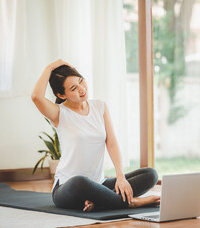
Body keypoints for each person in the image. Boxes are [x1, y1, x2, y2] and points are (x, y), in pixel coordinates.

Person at [31, 59, 160, 212]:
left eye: (81, 81)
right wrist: (50, 67)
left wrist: (120, 177)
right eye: (73, 88)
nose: (81, 89)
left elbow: (111, 143)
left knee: (150, 174)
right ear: (61, 94)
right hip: (68, 188)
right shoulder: (59, 113)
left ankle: (100, 202)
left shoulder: (99, 106)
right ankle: (131, 203)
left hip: (99, 184)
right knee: (80, 182)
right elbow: (36, 97)